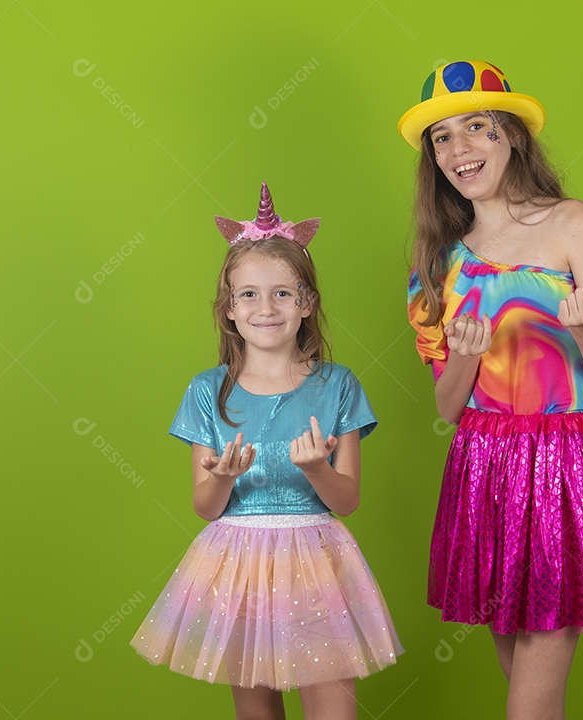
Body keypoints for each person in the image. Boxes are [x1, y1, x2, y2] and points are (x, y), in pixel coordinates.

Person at [398, 61, 583, 719]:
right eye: (443, 138)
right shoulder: (436, 263)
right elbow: (449, 405)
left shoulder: (574, 225)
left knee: (528, 707)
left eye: (476, 128)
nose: (461, 149)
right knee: (529, 694)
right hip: (484, 466)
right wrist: (469, 360)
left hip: (564, 464)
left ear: (509, 134)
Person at [131, 183, 401, 720]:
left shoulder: (338, 385)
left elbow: (346, 501)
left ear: (307, 304)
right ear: (229, 309)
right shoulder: (207, 392)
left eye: (283, 292)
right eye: (249, 294)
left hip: (318, 564)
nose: (266, 307)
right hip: (237, 566)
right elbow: (205, 506)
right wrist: (225, 477)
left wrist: (316, 468)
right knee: (256, 711)